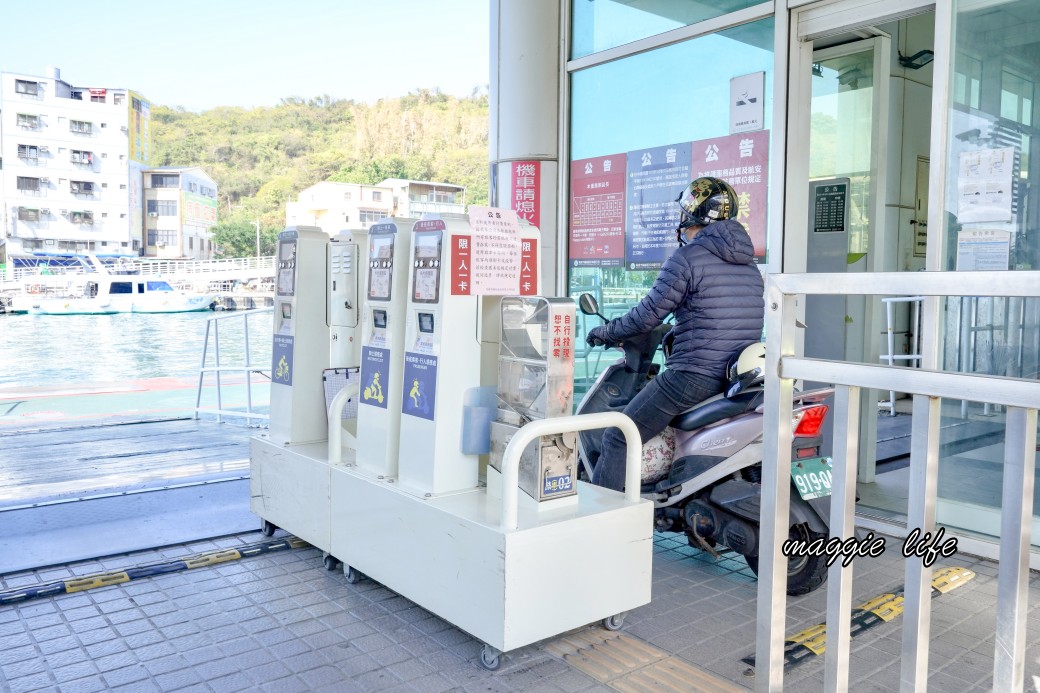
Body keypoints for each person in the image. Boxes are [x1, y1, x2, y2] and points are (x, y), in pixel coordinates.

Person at [585, 176, 765, 491]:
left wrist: (605, 331)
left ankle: (601, 526)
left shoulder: (687, 259)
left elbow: (646, 316)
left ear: (691, 217)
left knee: (619, 435)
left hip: (694, 375)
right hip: (734, 376)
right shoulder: (748, 265)